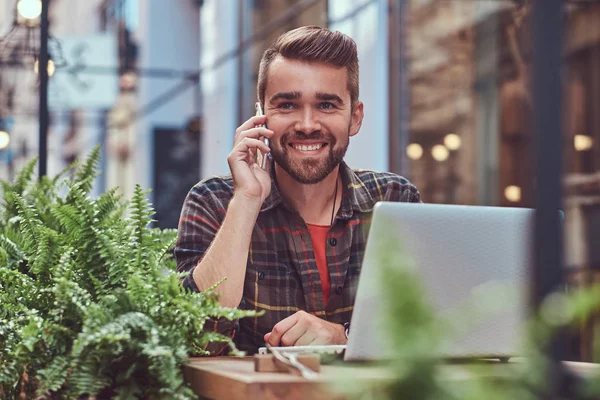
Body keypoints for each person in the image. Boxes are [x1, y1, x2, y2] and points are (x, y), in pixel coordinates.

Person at [175, 26, 421, 355]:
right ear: (260, 115)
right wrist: (247, 200)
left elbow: (422, 330)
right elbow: (195, 336)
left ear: (355, 118)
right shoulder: (214, 202)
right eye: (287, 105)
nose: (307, 124)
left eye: (327, 105)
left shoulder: (394, 198)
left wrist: (343, 336)